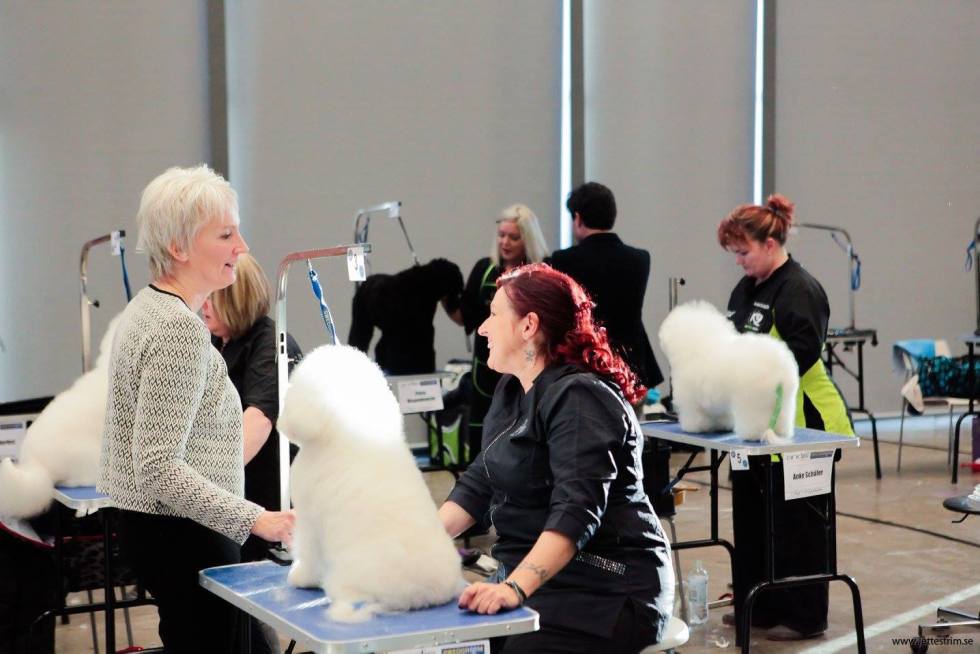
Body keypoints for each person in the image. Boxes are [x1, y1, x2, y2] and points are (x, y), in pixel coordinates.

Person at [98, 165, 295, 653]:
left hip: (159, 533)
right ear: (179, 247)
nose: (241, 247)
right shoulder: (177, 329)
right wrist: (257, 519)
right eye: (226, 235)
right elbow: (157, 467)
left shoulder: (146, 309)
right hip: (187, 535)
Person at [439, 263, 674, 654]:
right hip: (539, 580)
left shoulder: (579, 397)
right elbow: (479, 482)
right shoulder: (511, 391)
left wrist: (514, 588)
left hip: (604, 588)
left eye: (494, 315)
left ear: (529, 325)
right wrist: (414, 548)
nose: (482, 328)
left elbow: (576, 510)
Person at [717, 193, 854, 641]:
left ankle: (804, 616)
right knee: (752, 520)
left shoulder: (800, 289)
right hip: (754, 428)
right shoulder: (746, 288)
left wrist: (751, 376)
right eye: (734, 253)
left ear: (771, 244)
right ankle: (757, 604)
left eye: (744, 252)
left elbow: (801, 353)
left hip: (803, 426)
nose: (739, 261)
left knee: (800, 527)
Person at [203, 253, 302, 654]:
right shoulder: (217, 342)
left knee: (249, 610)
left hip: (265, 497)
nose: (203, 305)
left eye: (212, 297)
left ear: (236, 298)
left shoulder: (270, 344)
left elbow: (257, 422)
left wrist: (205, 484)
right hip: (233, 497)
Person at [449, 204, 548, 459]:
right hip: (486, 373)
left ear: (528, 239)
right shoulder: (484, 269)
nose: (505, 242)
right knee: (483, 447)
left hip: (529, 371)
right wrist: (444, 295)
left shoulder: (541, 273)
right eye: (501, 235)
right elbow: (465, 317)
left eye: (513, 237)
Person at [549, 182, 663, 394]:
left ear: (578, 218)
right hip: (631, 367)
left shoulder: (563, 261)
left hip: (584, 366)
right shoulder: (639, 259)